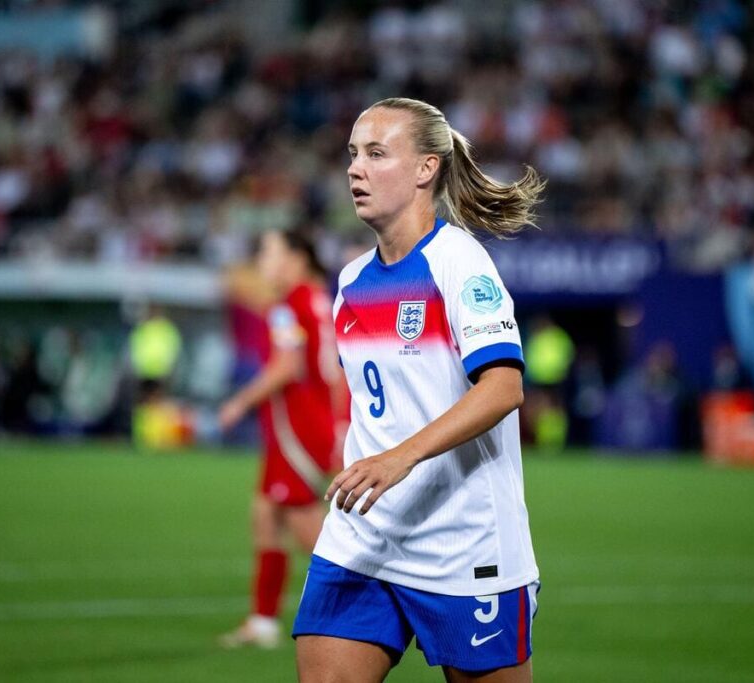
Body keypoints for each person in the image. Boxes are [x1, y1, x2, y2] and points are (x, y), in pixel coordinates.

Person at [293, 97, 546, 683]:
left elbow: (504, 387)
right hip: (363, 535)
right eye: (353, 154)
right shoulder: (352, 281)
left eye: (376, 154)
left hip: (464, 544)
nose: (355, 168)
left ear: (424, 169)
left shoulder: (460, 263)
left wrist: (399, 457)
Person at [218, 228, 344, 649]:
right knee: (265, 512)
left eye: (269, 252)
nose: (262, 262)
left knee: (308, 529)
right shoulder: (318, 297)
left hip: (296, 428)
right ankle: (263, 621)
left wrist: (240, 402)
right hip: (313, 421)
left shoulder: (289, 305)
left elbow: (287, 366)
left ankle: (368, 602)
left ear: (296, 258)